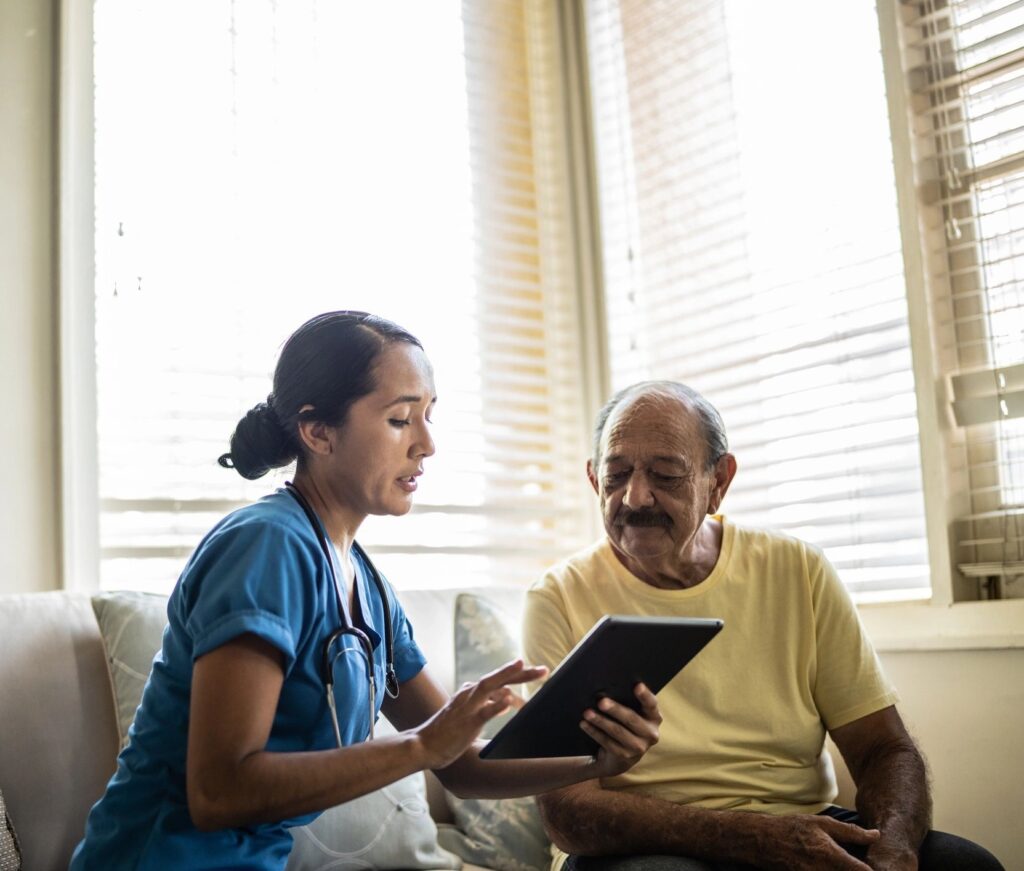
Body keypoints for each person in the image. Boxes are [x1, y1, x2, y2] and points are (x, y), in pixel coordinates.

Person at [70, 312, 662, 870]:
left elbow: (460, 765)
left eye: (431, 415)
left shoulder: (368, 587)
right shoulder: (265, 548)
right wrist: (419, 746)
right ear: (317, 432)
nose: (427, 443)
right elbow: (218, 792)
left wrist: (596, 760)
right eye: (402, 419)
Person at [524, 380, 1004, 871]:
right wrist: (751, 837)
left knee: (968, 865)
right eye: (617, 474)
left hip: (799, 824)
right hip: (643, 847)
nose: (636, 497)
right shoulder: (558, 597)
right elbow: (567, 812)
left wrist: (893, 851)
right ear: (593, 480)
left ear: (719, 482)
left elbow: (884, 747)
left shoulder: (799, 569)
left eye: (666, 475)